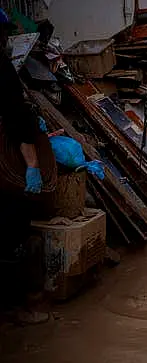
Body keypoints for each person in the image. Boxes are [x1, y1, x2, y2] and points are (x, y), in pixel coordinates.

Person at [0, 7, 52, 324]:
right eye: (5, 34)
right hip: (4, 165)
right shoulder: (1, 67)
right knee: (12, 231)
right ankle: (14, 308)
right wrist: (32, 165)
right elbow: (18, 120)